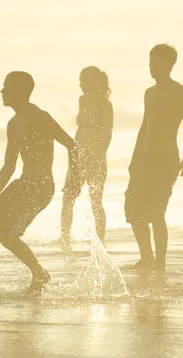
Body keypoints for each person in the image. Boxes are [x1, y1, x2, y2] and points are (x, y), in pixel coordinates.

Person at [0, 71, 81, 293]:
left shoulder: (40, 117)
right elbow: (9, 167)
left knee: (7, 235)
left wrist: (74, 179)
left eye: (6, 87)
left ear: (19, 92)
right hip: (22, 184)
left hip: (40, 188)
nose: (1, 91)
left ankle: (40, 274)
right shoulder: (13, 124)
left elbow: (71, 144)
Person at [124, 44, 183, 271]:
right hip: (145, 160)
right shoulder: (149, 93)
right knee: (133, 210)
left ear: (168, 65)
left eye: (155, 62)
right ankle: (147, 258)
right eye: (149, 61)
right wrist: (134, 159)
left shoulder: (178, 91)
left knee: (156, 212)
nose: (151, 66)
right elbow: (144, 127)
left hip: (166, 160)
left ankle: (161, 264)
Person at [60, 66, 113, 250]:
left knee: (95, 200)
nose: (80, 85)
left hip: (96, 156)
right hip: (79, 153)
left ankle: (100, 242)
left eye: (84, 81)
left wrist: (96, 159)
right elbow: (81, 129)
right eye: (80, 80)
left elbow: (107, 135)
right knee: (68, 197)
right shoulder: (82, 100)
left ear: (95, 82)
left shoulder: (105, 104)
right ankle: (65, 240)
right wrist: (73, 155)